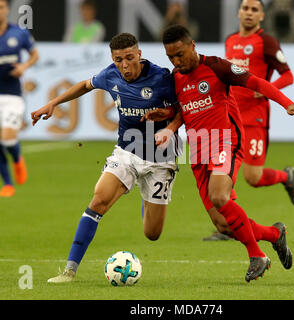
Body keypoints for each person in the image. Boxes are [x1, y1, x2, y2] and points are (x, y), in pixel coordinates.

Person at [143, 24, 294, 282]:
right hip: (198, 149)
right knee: (223, 225)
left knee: (219, 195)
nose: (177, 61)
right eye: (171, 57)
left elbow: (258, 83)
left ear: (192, 46)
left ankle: (257, 255)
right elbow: (183, 111)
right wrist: (168, 124)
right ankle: (275, 235)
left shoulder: (217, 67)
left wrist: (287, 104)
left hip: (225, 141)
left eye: (180, 54)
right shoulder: (175, 78)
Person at [31, 33, 180, 283]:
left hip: (160, 158)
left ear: (139, 55)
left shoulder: (163, 78)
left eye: (129, 58)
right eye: (118, 59)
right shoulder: (110, 74)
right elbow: (84, 85)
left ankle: (146, 195)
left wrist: (168, 122)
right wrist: (54, 103)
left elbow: (182, 109)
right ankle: (69, 270)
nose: (124, 65)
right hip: (127, 151)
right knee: (99, 200)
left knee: (152, 234)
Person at [204, 0, 294, 241]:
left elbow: (288, 75)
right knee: (224, 170)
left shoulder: (266, 42)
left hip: (255, 116)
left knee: (253, 178)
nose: (249, 13)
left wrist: (266, 89)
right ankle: (228, 226)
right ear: (238, 12)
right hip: (229, 115)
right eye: (245, 8)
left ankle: (286, 176)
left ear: (262, 16)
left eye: (254, 9)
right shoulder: (230, 39)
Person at [0, 0, 39, 197]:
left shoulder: (18, 33)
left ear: (6, 9)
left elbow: (34, 54)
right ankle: (7, 184)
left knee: (7, 140)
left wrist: (24, 67)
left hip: (12, 95)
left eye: (1, 7)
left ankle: (17, 159)